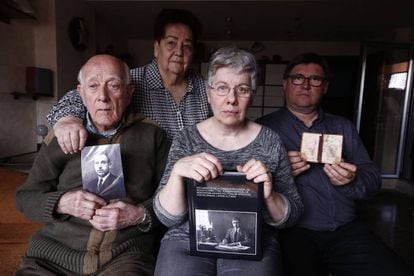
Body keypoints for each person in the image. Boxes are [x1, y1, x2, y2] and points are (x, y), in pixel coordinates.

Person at [257, 52, 413, 276]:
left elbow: (373, 180)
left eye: (315, 80)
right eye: (298, 78)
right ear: (285, 84)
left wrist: (352, 180)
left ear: (325, 87)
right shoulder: (262, 129)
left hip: (345, 229)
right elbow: (247, 188)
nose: (306, 85)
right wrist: (279, 173)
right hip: (292, 232)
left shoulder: (343, 127)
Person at [153, 46, 303, 276]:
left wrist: (269, 195)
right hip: (186, 240)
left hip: (252, 241)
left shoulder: (270, 141)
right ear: (209, 93)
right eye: (222, 88)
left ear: (252, 95)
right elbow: (166, 217)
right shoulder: (186, 138)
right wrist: (177, 173)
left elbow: (292, 215)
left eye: (241, 89)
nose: (231, 99)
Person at [15, 54, 170, 275]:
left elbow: (171, 200)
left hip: (123, 257)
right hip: (52, 259)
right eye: (93, 86)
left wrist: (138, 214)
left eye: (114, 86)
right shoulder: (60, 137)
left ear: (128, 93)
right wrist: (61, 203)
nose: (103, 97)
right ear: (81, 94)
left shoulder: (153, 135)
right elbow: (24, 197)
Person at [47, 8, 210, 154]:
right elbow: (80, 95)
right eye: (171, 43)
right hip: (150, 180)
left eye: (187, 46)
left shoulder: (205, 87)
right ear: (156, 47)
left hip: (197, 177)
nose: (179, 52)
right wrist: (68, 121)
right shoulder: (132, 80)